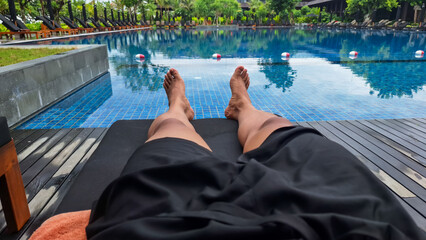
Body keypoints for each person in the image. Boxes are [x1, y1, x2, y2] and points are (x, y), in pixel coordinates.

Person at [86, 67, 425, 240]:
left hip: (166, 225)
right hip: (348, 219)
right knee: (283, 131)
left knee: (168, 136)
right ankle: (243, 107)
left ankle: (179, 107)